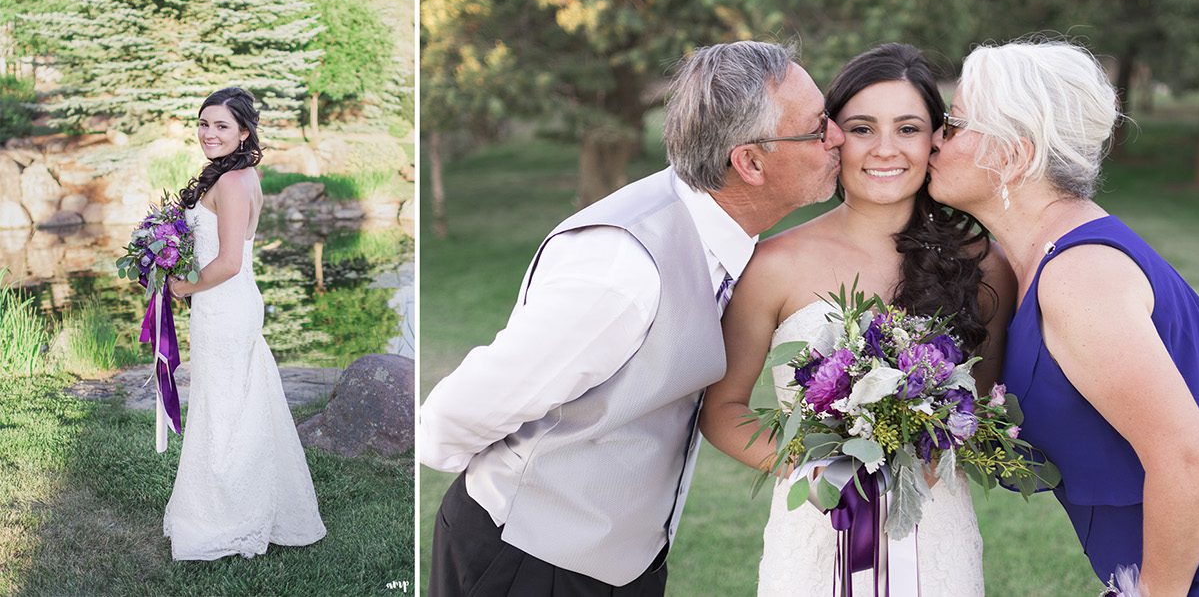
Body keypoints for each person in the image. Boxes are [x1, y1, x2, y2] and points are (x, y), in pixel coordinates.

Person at [418, 40, 843, 596]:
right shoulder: (623, 266)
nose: (837, 136)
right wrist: (519, 500)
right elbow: (451, 418)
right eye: (817, 129)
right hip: (525, 562)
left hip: (622, 565)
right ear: (750, 162)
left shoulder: (724, 236)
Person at [928, 39, 1199, 596]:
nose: (933, 139)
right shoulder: (1033, 256)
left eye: (953, 124)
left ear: (1014, 154)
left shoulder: (1079, 276)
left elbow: (1188, 458)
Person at [699, 43, 1015, 596]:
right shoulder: (773, 265)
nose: (885, 149)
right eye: (863, 127)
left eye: (909, 128)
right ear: (832, 137)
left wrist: (934, 447)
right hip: (816, 530)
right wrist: (826, 469)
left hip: (934, 530)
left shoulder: (982, 265)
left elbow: (982, 408)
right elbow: (722, 410)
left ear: (935, 140)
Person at [163, 87, 327, 560]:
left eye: (221, 126)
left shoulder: (233, 183)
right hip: (225, 304)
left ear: (244, 132)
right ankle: (248, 503)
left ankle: (231, 516)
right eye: (203, 123)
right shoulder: (237, 173)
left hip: (225, 302)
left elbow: (230, 261)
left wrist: (181, 287)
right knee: (237, 403)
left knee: (226, 411)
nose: (208, 134)